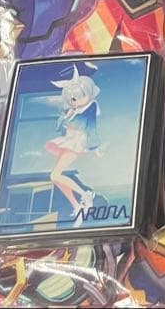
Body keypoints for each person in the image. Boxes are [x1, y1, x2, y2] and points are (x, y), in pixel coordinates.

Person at [46, 65, 103, 223]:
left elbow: (91, 127)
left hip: (77, 142)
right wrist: (65, 116)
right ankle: (76, 205)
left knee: (55, 175)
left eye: (80, 96)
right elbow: (59, 128)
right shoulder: (73, 111)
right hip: (68, 141)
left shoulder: (90, 107)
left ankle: (85, 194)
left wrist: (95, 147)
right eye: (72, 99)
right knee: (55, 177)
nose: (76, 101)